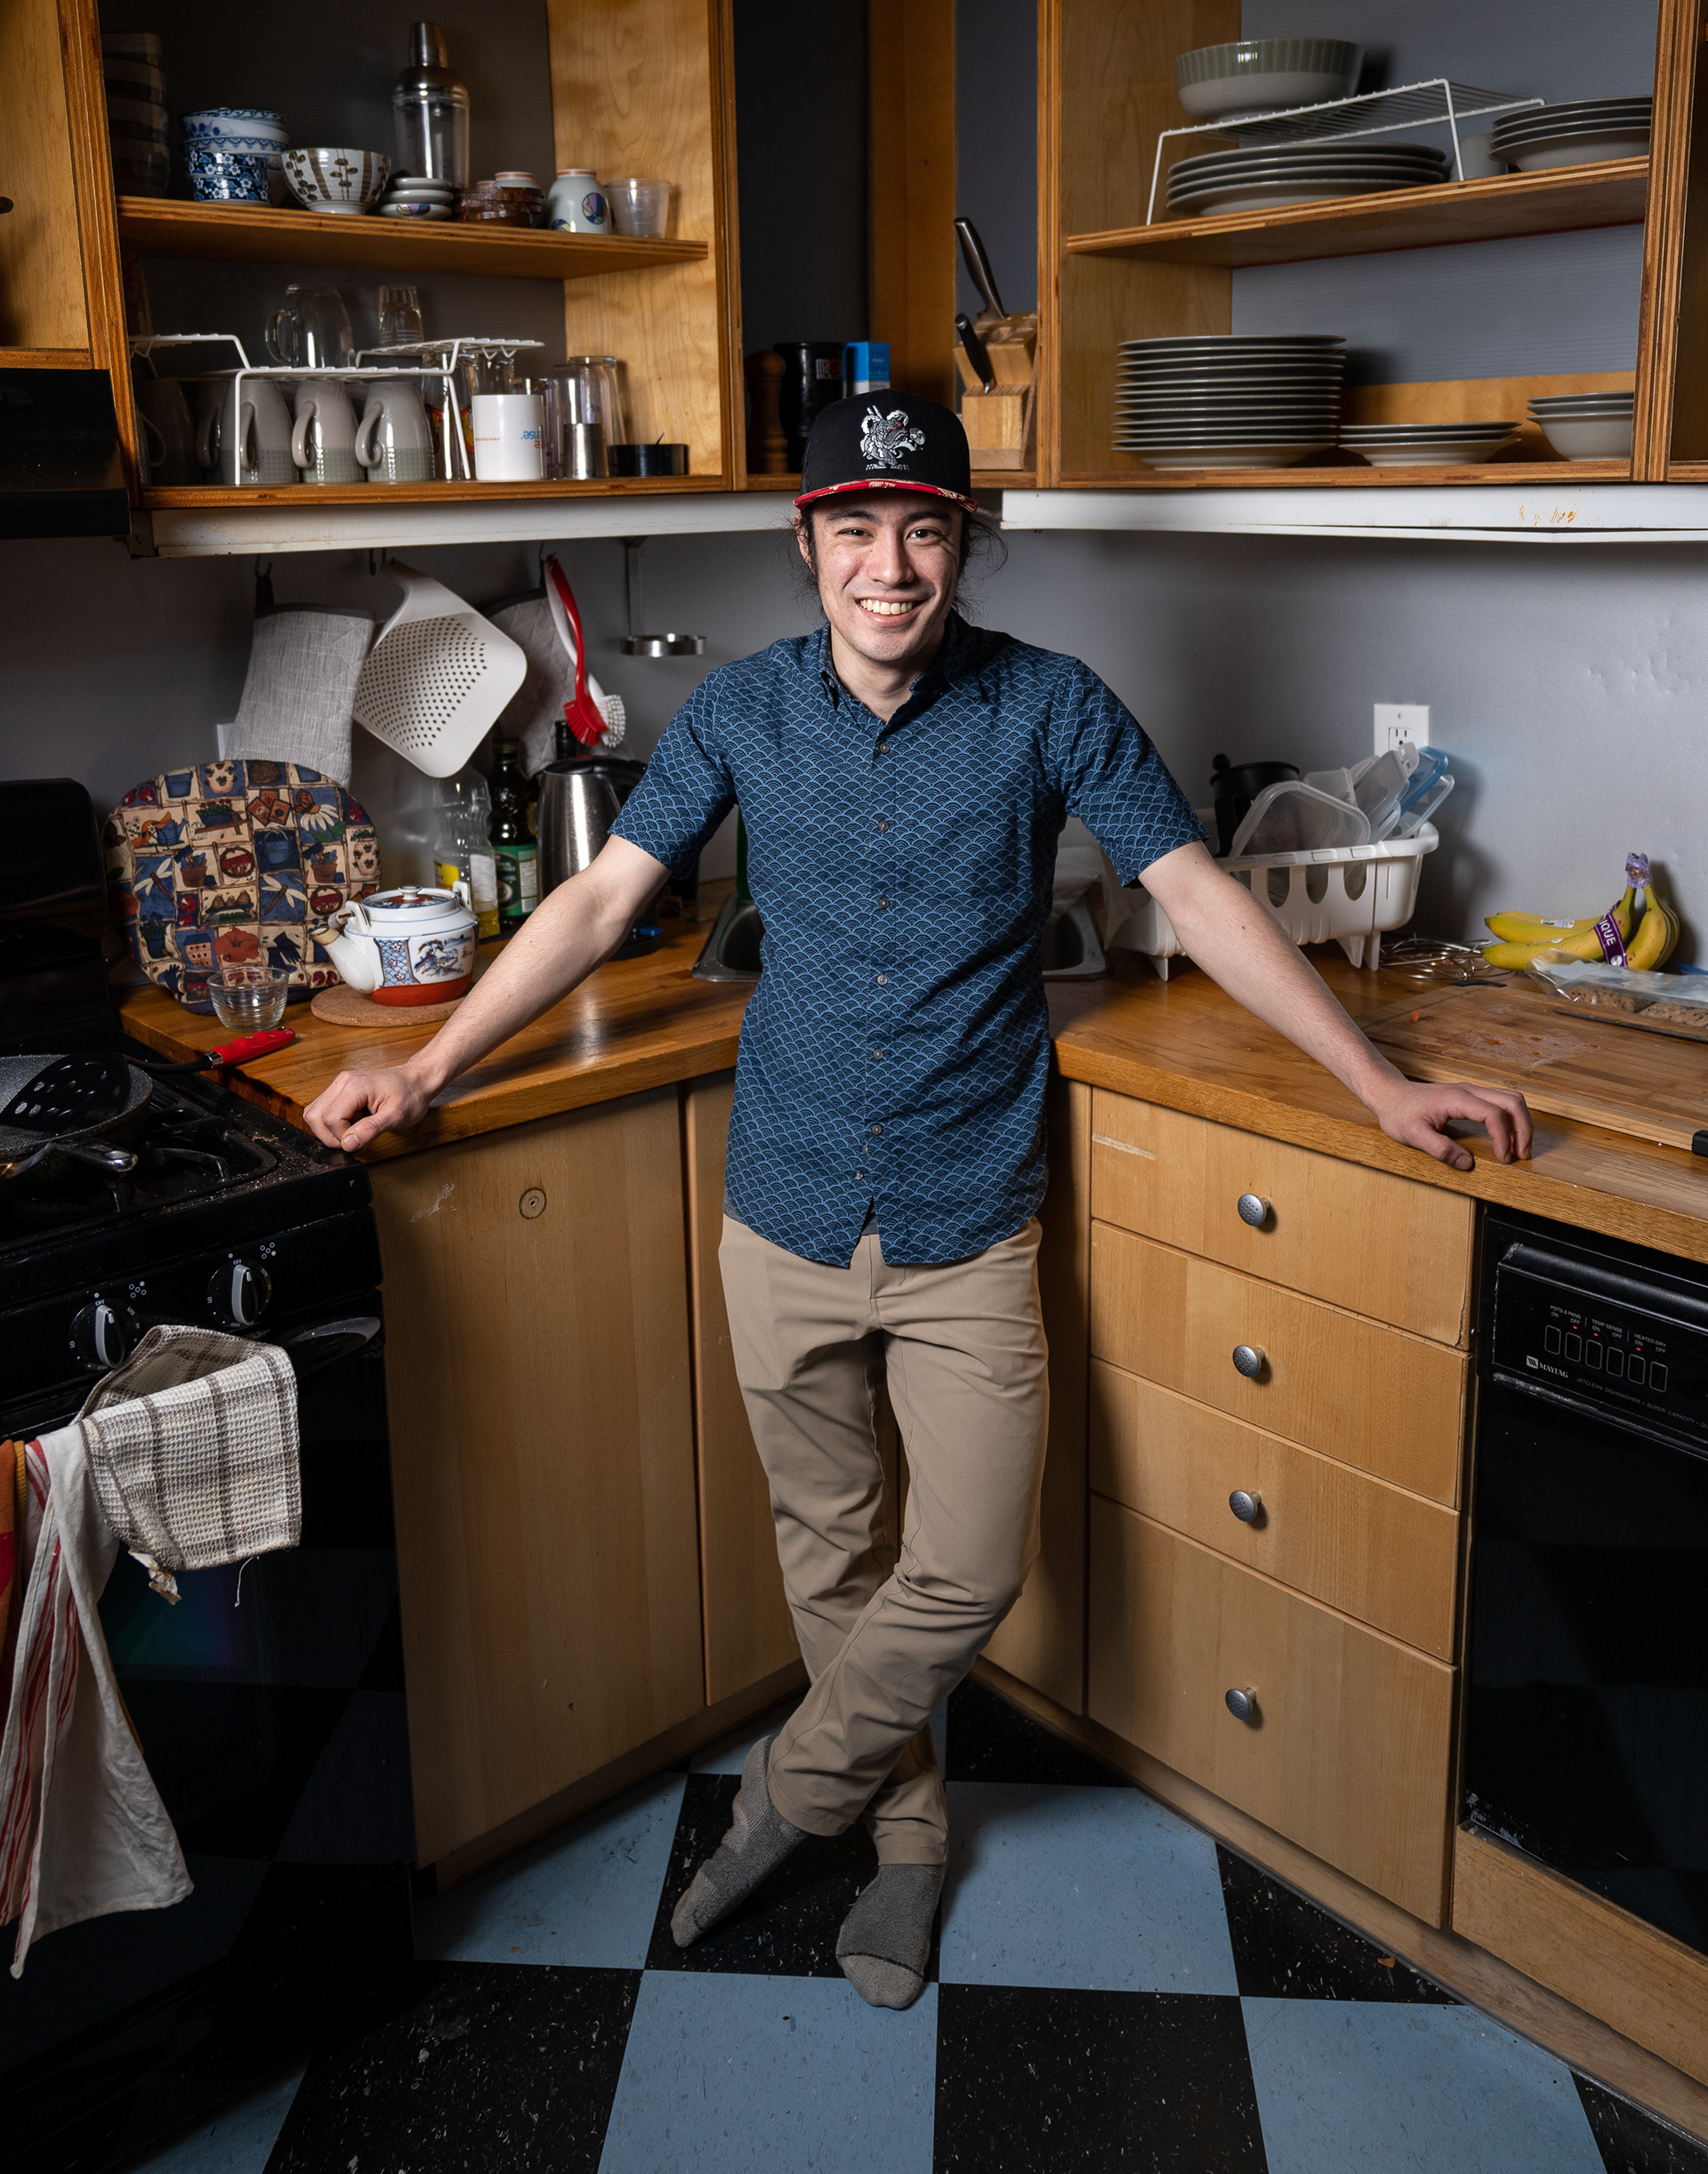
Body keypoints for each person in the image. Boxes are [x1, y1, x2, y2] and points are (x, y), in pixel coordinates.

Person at [303, 391, 1530, 2011]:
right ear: (807, 540)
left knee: (965, 1566)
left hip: (969, 1211)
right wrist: (430, 1066)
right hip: (784, 1204)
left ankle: (783, 1802)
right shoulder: (742, 712)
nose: (890, 566)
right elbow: (601, 902)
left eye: (926, 529)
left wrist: (1375, 1082)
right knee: (828, 1559)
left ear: (965, 542)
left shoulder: (1052, 704)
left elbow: (1198, 891)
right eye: (858, 529)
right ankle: (904, 1841)